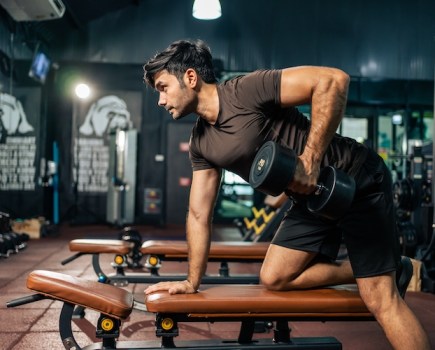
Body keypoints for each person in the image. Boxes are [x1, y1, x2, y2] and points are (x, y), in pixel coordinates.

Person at [142, 39, 431, 350]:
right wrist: (191, 280)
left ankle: (379, 271)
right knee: (275, 277)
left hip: (354, 176)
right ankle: (388, 264)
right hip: (313, 200)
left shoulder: (245, 90)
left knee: (379, 298)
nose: (161, 100)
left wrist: (310, 161)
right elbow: (199, 214)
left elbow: (333, 80)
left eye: (163, 87)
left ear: (190, 77)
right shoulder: (201, 142)